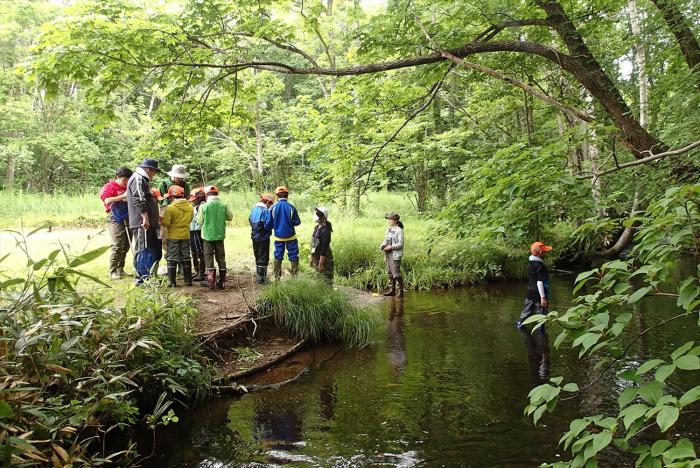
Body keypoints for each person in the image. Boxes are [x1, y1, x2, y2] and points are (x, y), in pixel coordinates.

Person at [126, 158, 161, 285]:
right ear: (148, 169)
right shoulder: (138, 178)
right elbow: (138, 198)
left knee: (150, 248)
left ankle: (148, 276)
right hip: (142, 222)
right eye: (154, 171)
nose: (154, 174)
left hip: (149, 222)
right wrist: (145, 217)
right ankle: (142, 279)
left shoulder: (142, 179)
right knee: (143, 249)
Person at [99, 167, 133, 280]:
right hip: (115, 217)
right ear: (117, 177)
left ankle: (120, 269)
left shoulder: (129, 186)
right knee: (117, 244)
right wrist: (122, 197)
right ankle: (112, 270)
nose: (126, 182)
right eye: (124, 180)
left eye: (128, 179)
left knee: (126, 244)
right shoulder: (109, 187)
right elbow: (107, 200)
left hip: (128, 215)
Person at [197, 185, 233, 289]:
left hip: (207, 236)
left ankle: (211, 283)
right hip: (220, 236)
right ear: (217, 194)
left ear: (206, 195)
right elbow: (230, 217)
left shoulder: (204, 206)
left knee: (208, 258)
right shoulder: (223, 205)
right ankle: (222, 282)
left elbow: (199, 221)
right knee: (221, 258)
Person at [161, 185, 194, 287]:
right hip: (185, 235)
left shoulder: (170, 208)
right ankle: (188, 281)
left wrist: (162, 220)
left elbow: (166, 223)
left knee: (172, 258)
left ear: (171, 197)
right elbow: (190, 220)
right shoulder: (190, 206)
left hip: (173, 236)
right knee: (186, 256)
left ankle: (172, 282)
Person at [516, 241, 553, 329]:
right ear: (540, 252)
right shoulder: (540, 266)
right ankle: (541, 330)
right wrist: (543, 298)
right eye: (544, 252)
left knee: (526, 311)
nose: (546, 253)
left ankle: (520, 324)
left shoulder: (530, 263)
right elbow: (539, 282)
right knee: (542, 314)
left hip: (530, 292)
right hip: (539, 294)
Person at [271, 186, 301, 279]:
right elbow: (297, 222)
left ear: (277, 196)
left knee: (278, 255)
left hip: (278, 237)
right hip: (291, 236)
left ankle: (276, 278)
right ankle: (294, 277)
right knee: (293, 255)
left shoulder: (273, 207)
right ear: (287, 196)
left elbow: (268, 224)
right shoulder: (291, 207)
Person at [249, 194, 274, 284]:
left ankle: (259, 275)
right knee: (263, 256)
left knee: (257, 255)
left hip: (254, 236)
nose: (270, 206)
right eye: (270, 204)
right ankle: (262, 278)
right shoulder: (265, 211)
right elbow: (267, 225)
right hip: (263, 237)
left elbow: (250, 221)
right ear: (268, 202)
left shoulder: (253, 210)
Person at [380, 213, 404, 297]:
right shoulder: (389, 229)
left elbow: (400, 244)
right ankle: (392, 290)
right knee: (389, 272)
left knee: (396, 273)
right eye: (389, 219)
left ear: (396, 221)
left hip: (395, 254)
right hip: (388, 254)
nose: (389, 221)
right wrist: (382, 246)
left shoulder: (399, 230)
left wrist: (391, 247)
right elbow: (385, 240)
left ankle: (400, 292)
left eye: (390, 219)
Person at [310, 206, 333, 282]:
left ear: (323, 218)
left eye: (318, 215)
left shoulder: (325, 231)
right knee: (318, 279)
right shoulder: (316, 227)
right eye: (316, 214)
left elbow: (324, 249)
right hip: (316, 257)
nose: (316, 216)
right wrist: (311, 258)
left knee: (326, 279)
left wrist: (320, 264)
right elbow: (313, 243)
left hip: (324, 259)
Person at [189, 187, 206, 281]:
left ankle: (202, 273)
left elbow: (199, 221)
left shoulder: (202, 206)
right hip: (193, 231)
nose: (192, 202)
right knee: (194, 251)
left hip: (197, 231)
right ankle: (197, 271)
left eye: (194, 200)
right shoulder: (196, 206)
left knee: (200, 252)